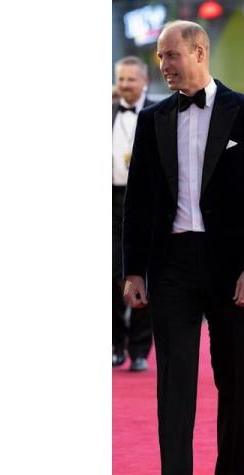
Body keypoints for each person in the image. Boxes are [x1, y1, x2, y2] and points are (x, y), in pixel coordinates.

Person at [122, 20, 244, 475]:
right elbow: (140, 203)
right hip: (171, 266)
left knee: (234, 378)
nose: (163, 65)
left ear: (199, 50)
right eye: (159, 58)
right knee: (175, 385)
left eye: (171, 55)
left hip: (232, 266)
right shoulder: (153, 120)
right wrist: (133, 270)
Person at [113, 56, 156, 371]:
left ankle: (140, 350)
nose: (125, 84)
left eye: (130, 79)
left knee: (143, 274)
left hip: (146, 201)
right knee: (110, 275)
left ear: (144, 81)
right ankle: (115, 344)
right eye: (121, 79)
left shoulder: (161, 113)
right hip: (110, 201)